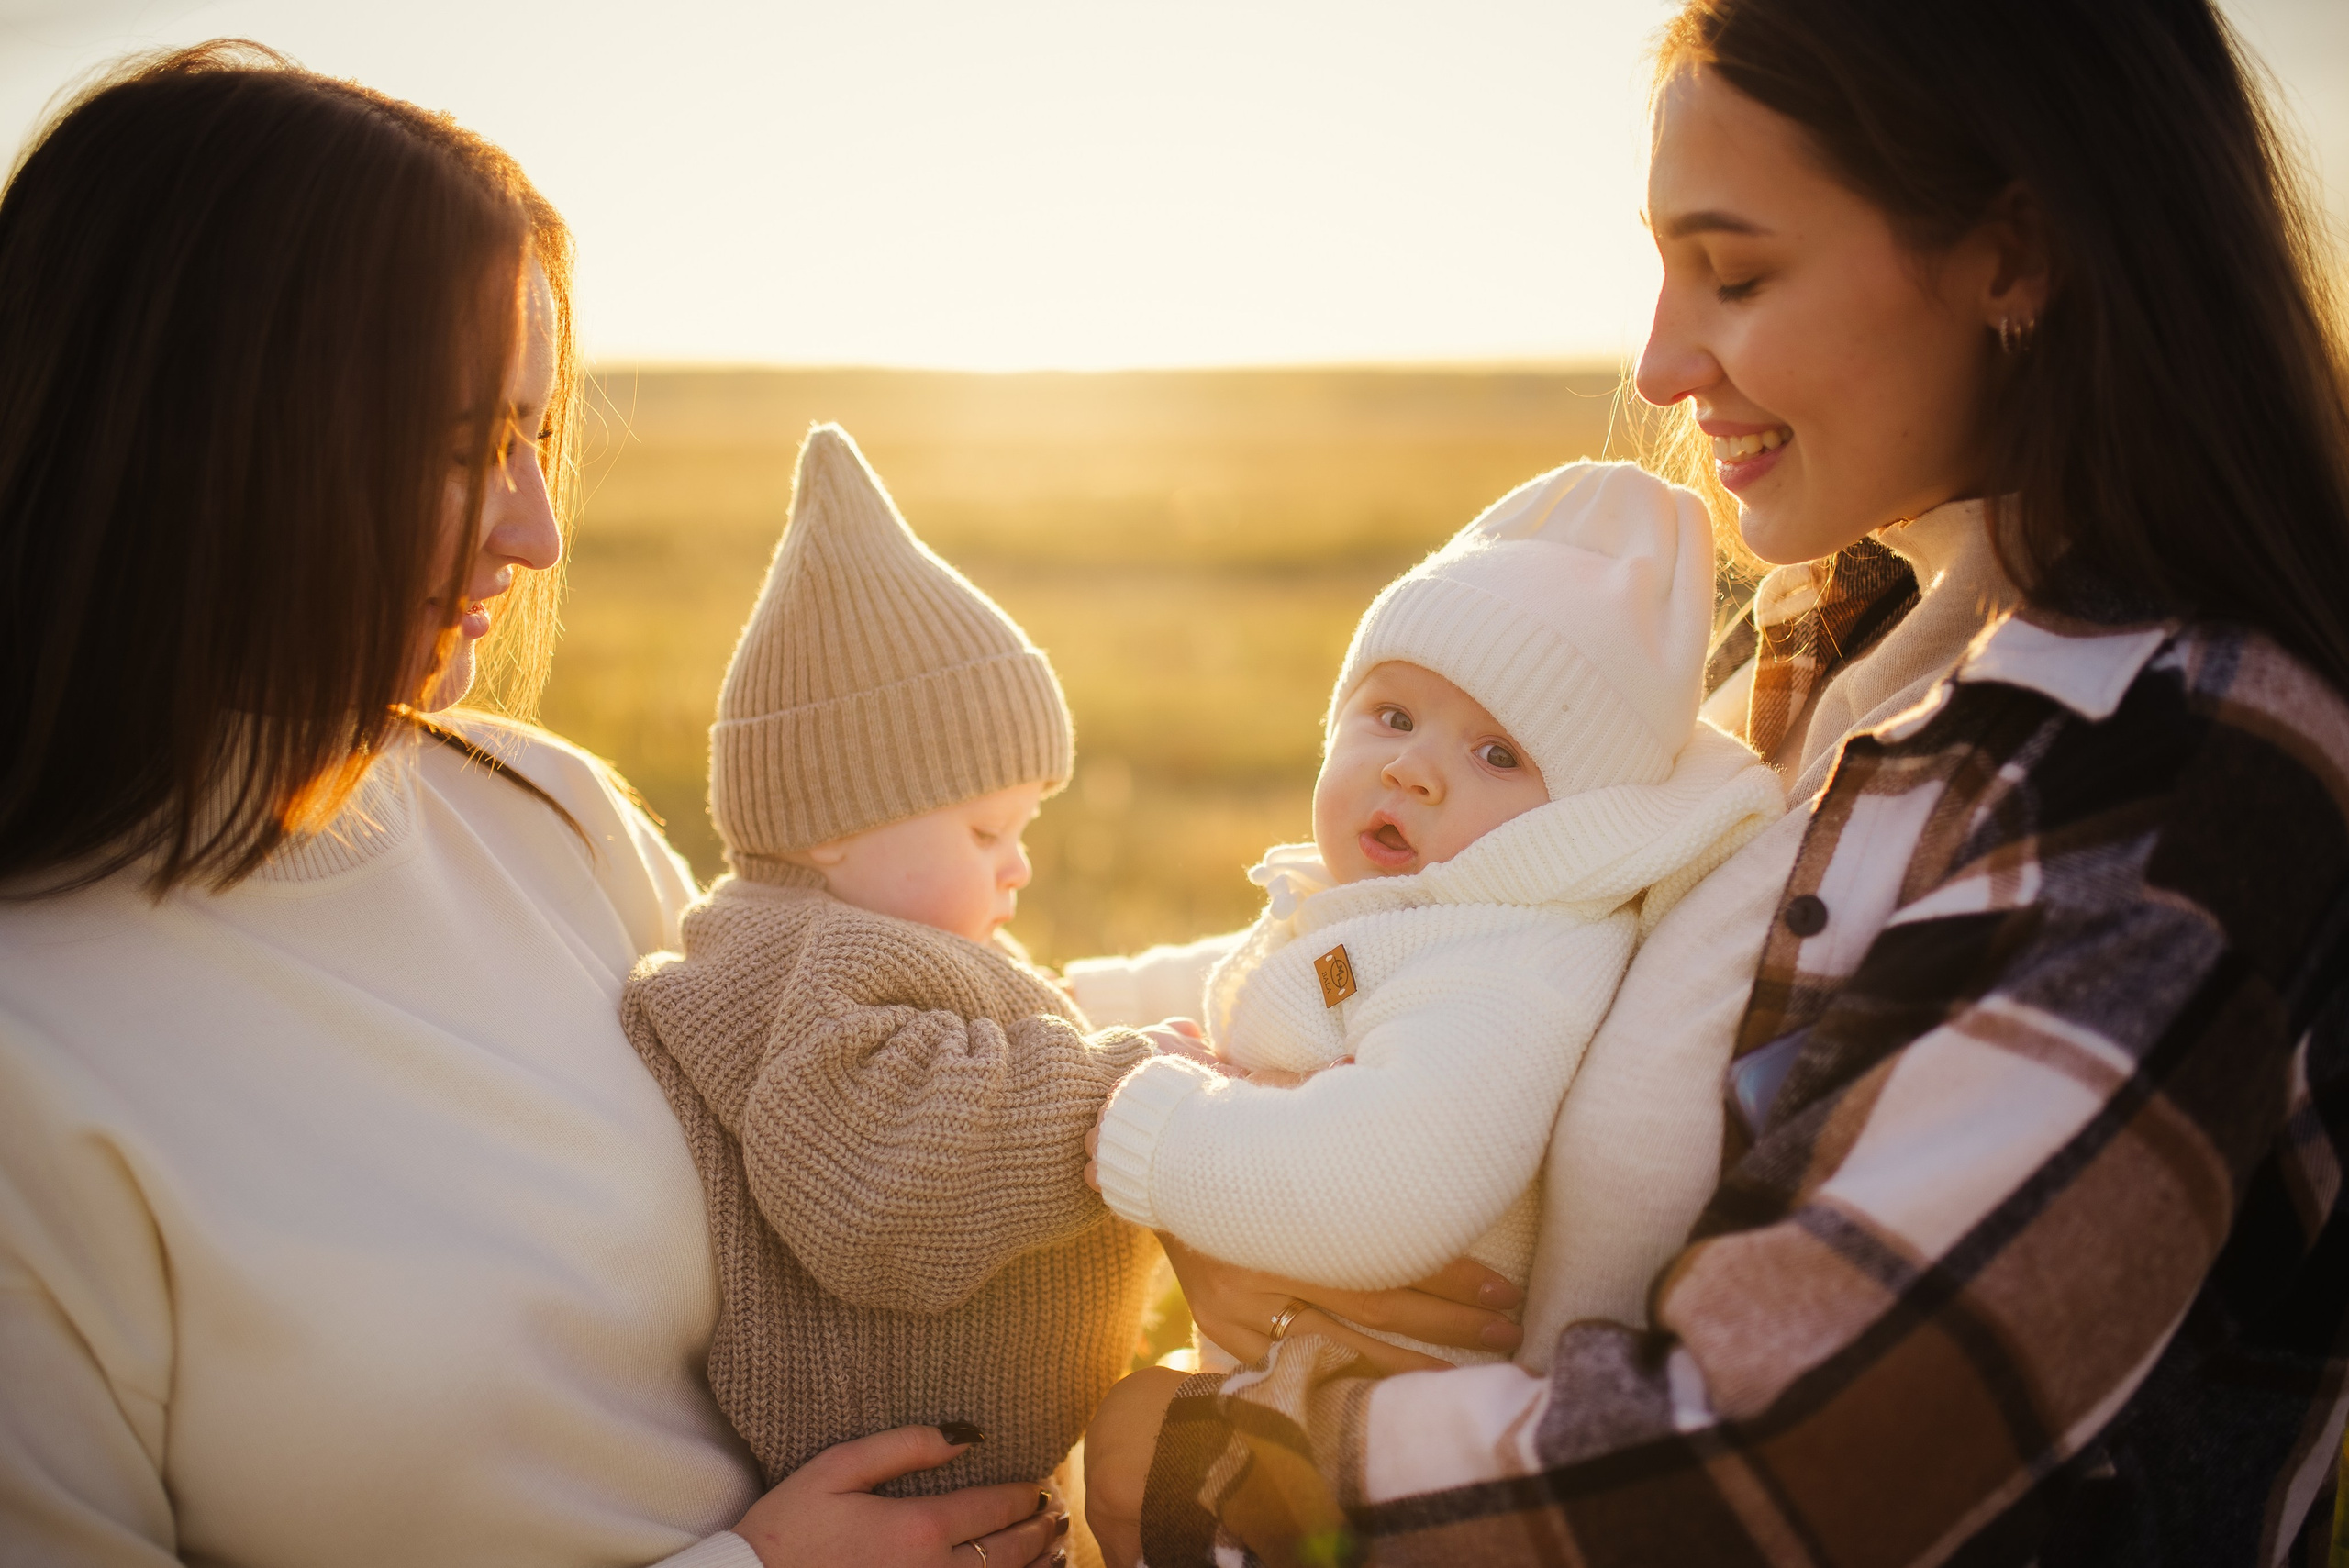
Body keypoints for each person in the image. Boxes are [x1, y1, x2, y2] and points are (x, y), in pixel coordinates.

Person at [1082, 0, 2349, 1561]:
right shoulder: (1828, 641)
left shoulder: (2181, 778)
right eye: (1663, 265)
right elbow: (1485, 1013)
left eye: (1735, 273)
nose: (1661, 359)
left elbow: (1801, 1454)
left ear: (2015, 255)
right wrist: (1281, 1231)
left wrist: (1247, 1464)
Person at [0, 46, 1073, 1568]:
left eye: (533, 435)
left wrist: (1249, 1167)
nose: (536, 527)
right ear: (197, 436)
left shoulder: (544, 812)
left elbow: (881, 1118)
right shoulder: (30, 1049)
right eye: (457, 450)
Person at [1084, 462, 1781, 1368]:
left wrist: (1156, 1128)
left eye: (1497, 752)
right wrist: (1084, 995)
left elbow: (1387, 1180)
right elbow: (1296, 967)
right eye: (1392, 712)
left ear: (1575, 814)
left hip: (1358, 1427)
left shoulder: (1511, 971)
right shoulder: (1437, 914)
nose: (1412, 767)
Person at [620, 422, 1173, 1504]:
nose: (1018, 865)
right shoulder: (810, 964)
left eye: (1025, 827)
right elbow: (878, 1175)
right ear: (831, 821)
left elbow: (988, 1031)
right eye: (981, 833)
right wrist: (1120, 1090)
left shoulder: (852, 940)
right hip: (905, 1478)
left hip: (959, 1473)